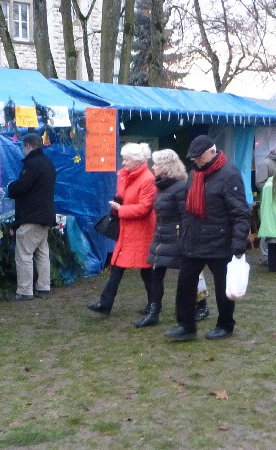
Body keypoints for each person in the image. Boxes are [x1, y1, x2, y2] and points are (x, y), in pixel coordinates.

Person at [165, 135, 251, 342]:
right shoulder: (195, 174)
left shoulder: (230, 174)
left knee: (223, 287)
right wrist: (184, 234)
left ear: (212, 152)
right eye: (193, 158)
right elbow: (188, 208)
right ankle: (186, 325)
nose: (195, 161)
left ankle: (225, 324)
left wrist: (238, 243)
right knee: (185, 283)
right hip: (194, 239)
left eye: (199, 157)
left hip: (220, 240)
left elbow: (240, 212)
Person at [88, 143, 156, 317]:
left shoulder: (147, 179)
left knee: (145, 270)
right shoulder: (127, 176)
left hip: (140, 231)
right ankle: (106, 302)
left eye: (126, 159)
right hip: (129, 230)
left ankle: (153, 304)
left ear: (137, 161)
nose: (123, 162)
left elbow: (144, 208)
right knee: (121, 267)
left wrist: (121, 209)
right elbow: (125, 197)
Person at [134, 149, 187, 328]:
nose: (153, 167)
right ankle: (154, 311)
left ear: (165, 167)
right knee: (156, 273)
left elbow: (185, 215)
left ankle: (200, 304)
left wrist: (184, 239)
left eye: (156, 164)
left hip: (177, 236)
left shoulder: (180, 187)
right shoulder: (160, 186)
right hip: (161, 235)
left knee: (188, 274)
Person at [6, 133, 56, 301]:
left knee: (24, 254)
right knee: (42, 253)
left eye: (22, 146)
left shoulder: (33, 165)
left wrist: (11, 186)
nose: (21, 150)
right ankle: (44, 286)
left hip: (31, 216)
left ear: (28, 146)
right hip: (46, 215)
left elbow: (22, 187)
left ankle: (25, 290)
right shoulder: (48, 163)